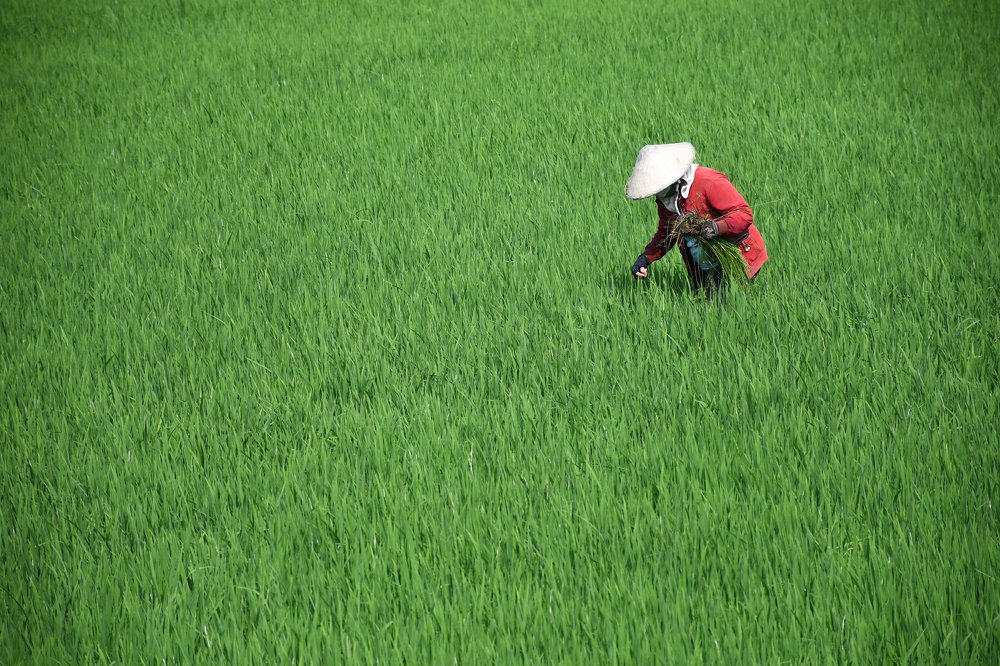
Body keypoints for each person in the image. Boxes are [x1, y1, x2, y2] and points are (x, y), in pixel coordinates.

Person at [626, 142, 767, 297]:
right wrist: (646, 258)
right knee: (709, 305)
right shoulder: (666, 197)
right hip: (704, 262)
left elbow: (744, 214)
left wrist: (716, 227)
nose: (657, 193)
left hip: (738, 254)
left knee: (731, 303)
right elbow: (667, 232)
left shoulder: (708, 181)